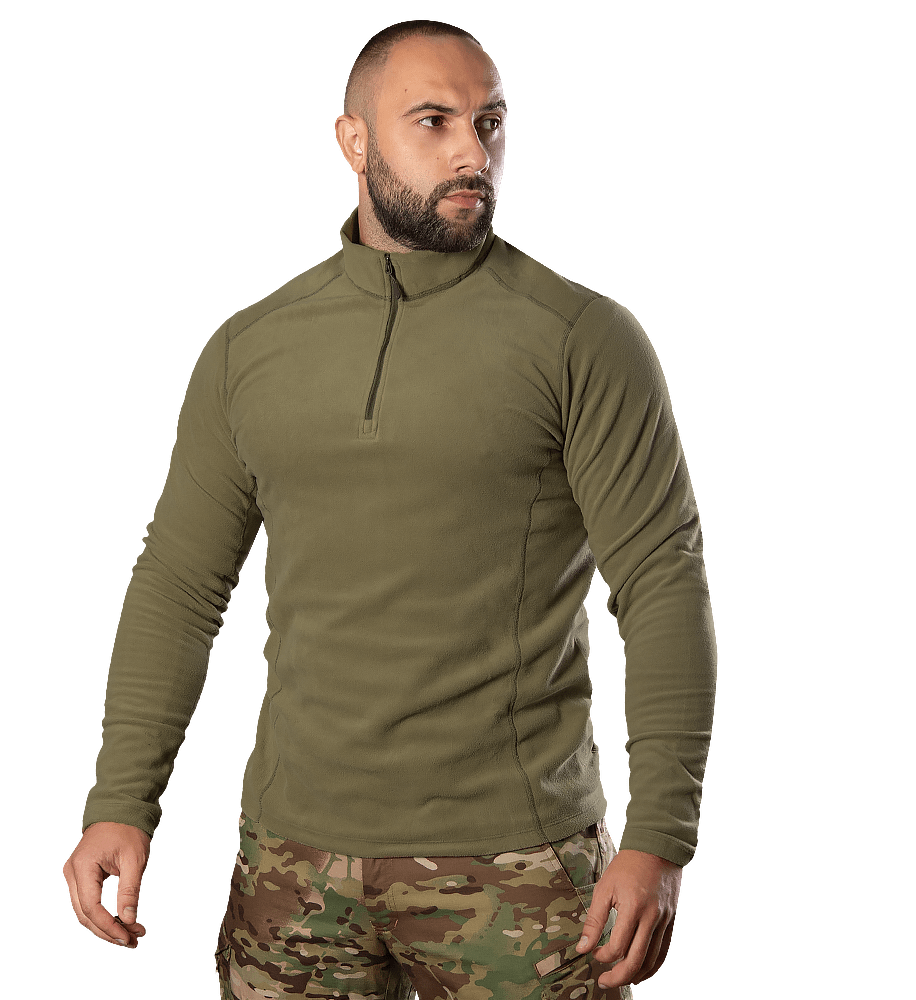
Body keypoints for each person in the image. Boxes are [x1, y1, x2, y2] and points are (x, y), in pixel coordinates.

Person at [63, 19, 717, 1000]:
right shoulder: (250, 348)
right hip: (289, 863)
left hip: (516, 862)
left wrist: (660, 835)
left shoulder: (581, 337)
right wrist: (121, 799)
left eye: (490, 123)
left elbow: (662, 580)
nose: (472, 153)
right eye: (434, 121)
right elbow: (180, 586)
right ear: (354, 141)